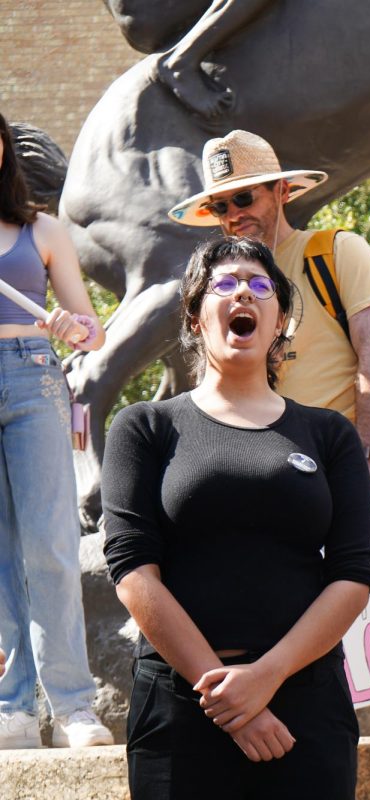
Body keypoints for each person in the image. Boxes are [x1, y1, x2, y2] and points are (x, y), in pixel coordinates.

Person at [101, 237, 370, 798]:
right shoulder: (144, 427)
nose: (242, 294)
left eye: (260, 286)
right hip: (181, 706)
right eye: (224, 285)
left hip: (305, 705)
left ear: (279, 321)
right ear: (196, 317)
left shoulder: (329, 434)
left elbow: (353, 573)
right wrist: (232, 703)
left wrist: (267, 676)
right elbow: (131, 570)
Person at [170, 129, 370, 509]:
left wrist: (367, 460)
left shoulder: (337, 252)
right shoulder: (220, 283)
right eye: (221, 206)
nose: (234, 214)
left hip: (332, 465)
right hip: (252, 471)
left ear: (282, 191)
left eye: (244, 197)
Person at [0, 111, 113, 750]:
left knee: (50, 541)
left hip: (34, 377)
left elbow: (88, 323)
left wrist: (76, 328)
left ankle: (72, 705)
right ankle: (10, 708)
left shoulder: (42, 228)